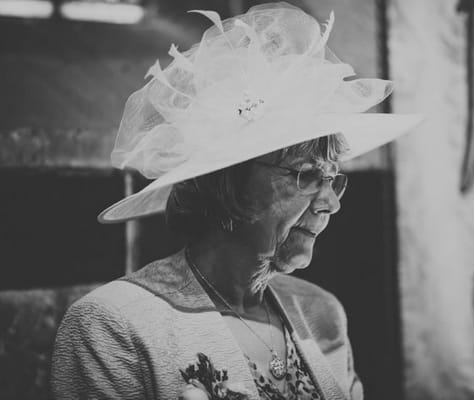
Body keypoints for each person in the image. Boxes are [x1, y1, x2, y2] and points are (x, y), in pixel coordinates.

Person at [50, 3, 421, 399]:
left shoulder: (322, 313)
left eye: (333, 180)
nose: (331, 202)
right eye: (308, 176)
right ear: (228, 184)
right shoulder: (113, 325)